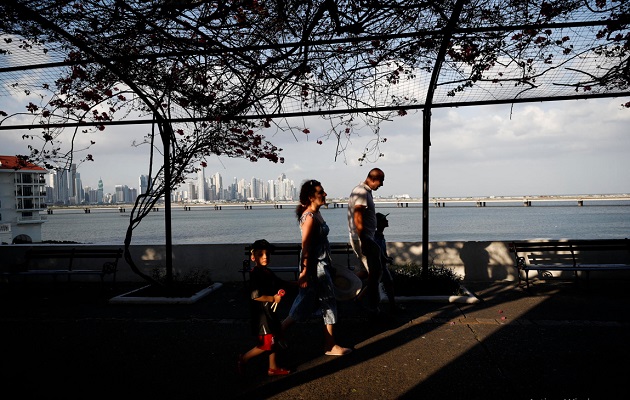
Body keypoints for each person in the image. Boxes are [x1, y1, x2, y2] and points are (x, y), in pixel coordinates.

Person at [281, 179, 352, 356]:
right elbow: (305, 247)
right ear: (311, 197)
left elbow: (320, 245)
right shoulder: (310, 218)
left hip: (322, 265)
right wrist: (304, 272)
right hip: (315, 268)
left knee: (305, 304)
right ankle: (330, 345)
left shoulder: (317, 214)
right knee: (327, 302)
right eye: (321, 192)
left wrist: (330, 265)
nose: (325, 194)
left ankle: (275, 334)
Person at [237, 239, 291, 377]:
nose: (265, 257)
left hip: (269, 313)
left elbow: (280, 282)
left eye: (267, 254)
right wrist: (274, 298)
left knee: (274, 339)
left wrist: (297, 283)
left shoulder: (266, 271)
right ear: (253, 257)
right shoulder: (256, 274)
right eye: (261, 254)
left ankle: (272, 368)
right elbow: (255, 296)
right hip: (262, 316)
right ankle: (244, 359)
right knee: (266, 344)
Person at [348, 168, 385, 318]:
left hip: (365, 238)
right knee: (376, 273)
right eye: (381, 181)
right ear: (374, 179)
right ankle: (372, 307)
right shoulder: (362, 192)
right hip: (363, 238)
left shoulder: (363, 191)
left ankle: (347, 287)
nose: (381, 185)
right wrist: (364, 240)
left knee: (368, 272)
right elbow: (358, 216)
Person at [374, 212, 403, 313]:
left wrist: (386, 257)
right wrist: (385, 259)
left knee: (387, 283)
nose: (387, 221)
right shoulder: (376, 236)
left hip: (382, 265)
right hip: (379, 266)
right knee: (384, 283)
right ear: (378, 223)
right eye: (384, 220)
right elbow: (378, 251)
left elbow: (382, 251)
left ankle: (392, 305)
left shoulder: (380, 235)